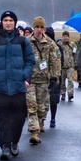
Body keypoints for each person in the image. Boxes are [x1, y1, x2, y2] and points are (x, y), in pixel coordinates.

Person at [0, 10, 34, 161]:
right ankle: (5, 146)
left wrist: (24, 75)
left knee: (19, 118)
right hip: (0, 86)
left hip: (18, 86)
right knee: (2, 118)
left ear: (15, 23)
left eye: (10, 20)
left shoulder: (23, 41)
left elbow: (30, 61)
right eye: (5, 20)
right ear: (1, 22)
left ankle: (14, 142)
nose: (8, 23)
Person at [26, 16, 60, 144]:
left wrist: (54, 77)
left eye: (41, 27)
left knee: (42, 107)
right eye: (37, 27)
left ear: (44, 29)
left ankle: (40, 121)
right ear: (33, 28)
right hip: (30, 79)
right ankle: (34, 131)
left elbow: (54, 61)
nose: (39, 29)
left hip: (44, 80)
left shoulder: (50, 43)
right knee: (31, 105)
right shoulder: (26, 42)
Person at [58, 31, 77, 101]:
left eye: (66, 36)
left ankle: (70, 94)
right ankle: (63, 93)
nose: (65, 38)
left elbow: (75, 54)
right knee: (62, 82)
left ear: (68, 37)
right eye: (64, 36)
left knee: (70, 81)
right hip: (62, 66)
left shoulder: (72, 45)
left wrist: (75, 63)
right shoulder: (59, 45)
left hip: (70, 66)